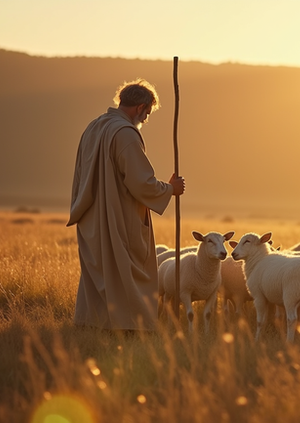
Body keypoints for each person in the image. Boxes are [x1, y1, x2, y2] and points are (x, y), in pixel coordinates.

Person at [66, 78, 185, 331]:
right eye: (148, 113)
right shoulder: (126, 134)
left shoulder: (93, 127)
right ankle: (133, 327)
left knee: (100, 271)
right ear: (140, 107)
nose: (146, 119)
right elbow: (140, 183)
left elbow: (79, 174)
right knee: (127, 271)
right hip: (118, 216)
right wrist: (170, 189)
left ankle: (93, 323)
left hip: (91, 216)